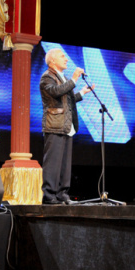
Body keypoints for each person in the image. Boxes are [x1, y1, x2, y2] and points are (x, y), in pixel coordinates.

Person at [39, 48, 94, 205]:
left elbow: (66, 100)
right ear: (52, 61)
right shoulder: (47, 77)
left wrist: (82, 92)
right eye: (62, 56)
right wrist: (74, 78)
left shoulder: (61, 77)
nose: (67, 59)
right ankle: (49, 196)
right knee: (53, 162)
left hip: (66, 125)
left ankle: (62, 194)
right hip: (54, 125)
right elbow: (56, 92)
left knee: (64, 163)